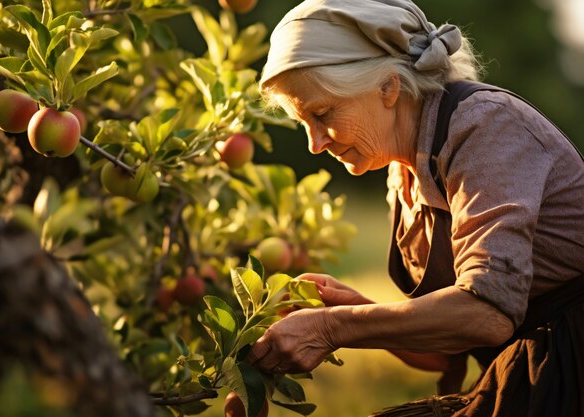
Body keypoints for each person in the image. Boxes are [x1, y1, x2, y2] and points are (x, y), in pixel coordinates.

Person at [246, 0, 584, 415]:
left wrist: (334, 327)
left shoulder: (485, 127)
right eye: (304, 123)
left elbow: (486, 315)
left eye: (323, 113)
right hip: (529, 370)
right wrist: (348, 307)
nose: (315, 144)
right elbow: (445, 353)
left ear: (388, 87)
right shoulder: (404, 171)